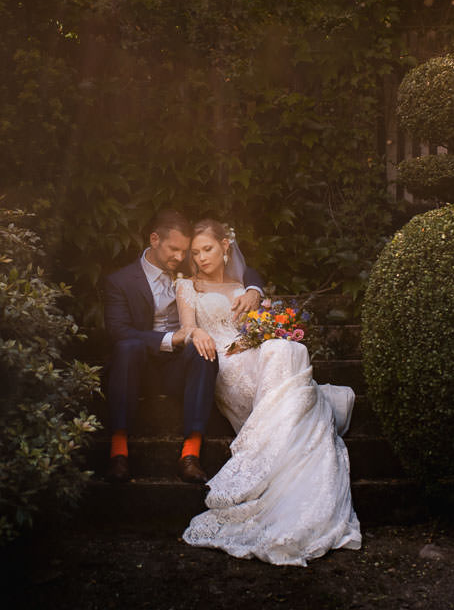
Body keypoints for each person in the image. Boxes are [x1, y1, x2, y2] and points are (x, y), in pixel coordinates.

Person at [176, 218, 361, 566]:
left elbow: (256, 327)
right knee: (278, 354)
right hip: (220, 358)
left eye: (207, 249)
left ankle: (292, 436)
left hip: (248, 350)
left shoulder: (244, 287)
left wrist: (261, 323)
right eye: (195, 252)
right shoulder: (188, 286)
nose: (201, 258)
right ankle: (291, 434)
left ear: (225, 246)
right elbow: (186, 326)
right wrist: (196, 332)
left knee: (287, 348)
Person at [102, 209, 264, 483]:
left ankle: (190, 454)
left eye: (184, 251)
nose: (181, 257)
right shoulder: (120, 281)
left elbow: (243, 270)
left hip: (179, 367)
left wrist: (253, 290)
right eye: (174, 250)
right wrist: (170, 339)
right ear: (155, 239)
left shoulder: (190, 268)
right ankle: (118, 452)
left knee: (203, 351)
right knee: (128, 347)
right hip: (138, 367)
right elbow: (118, 332)